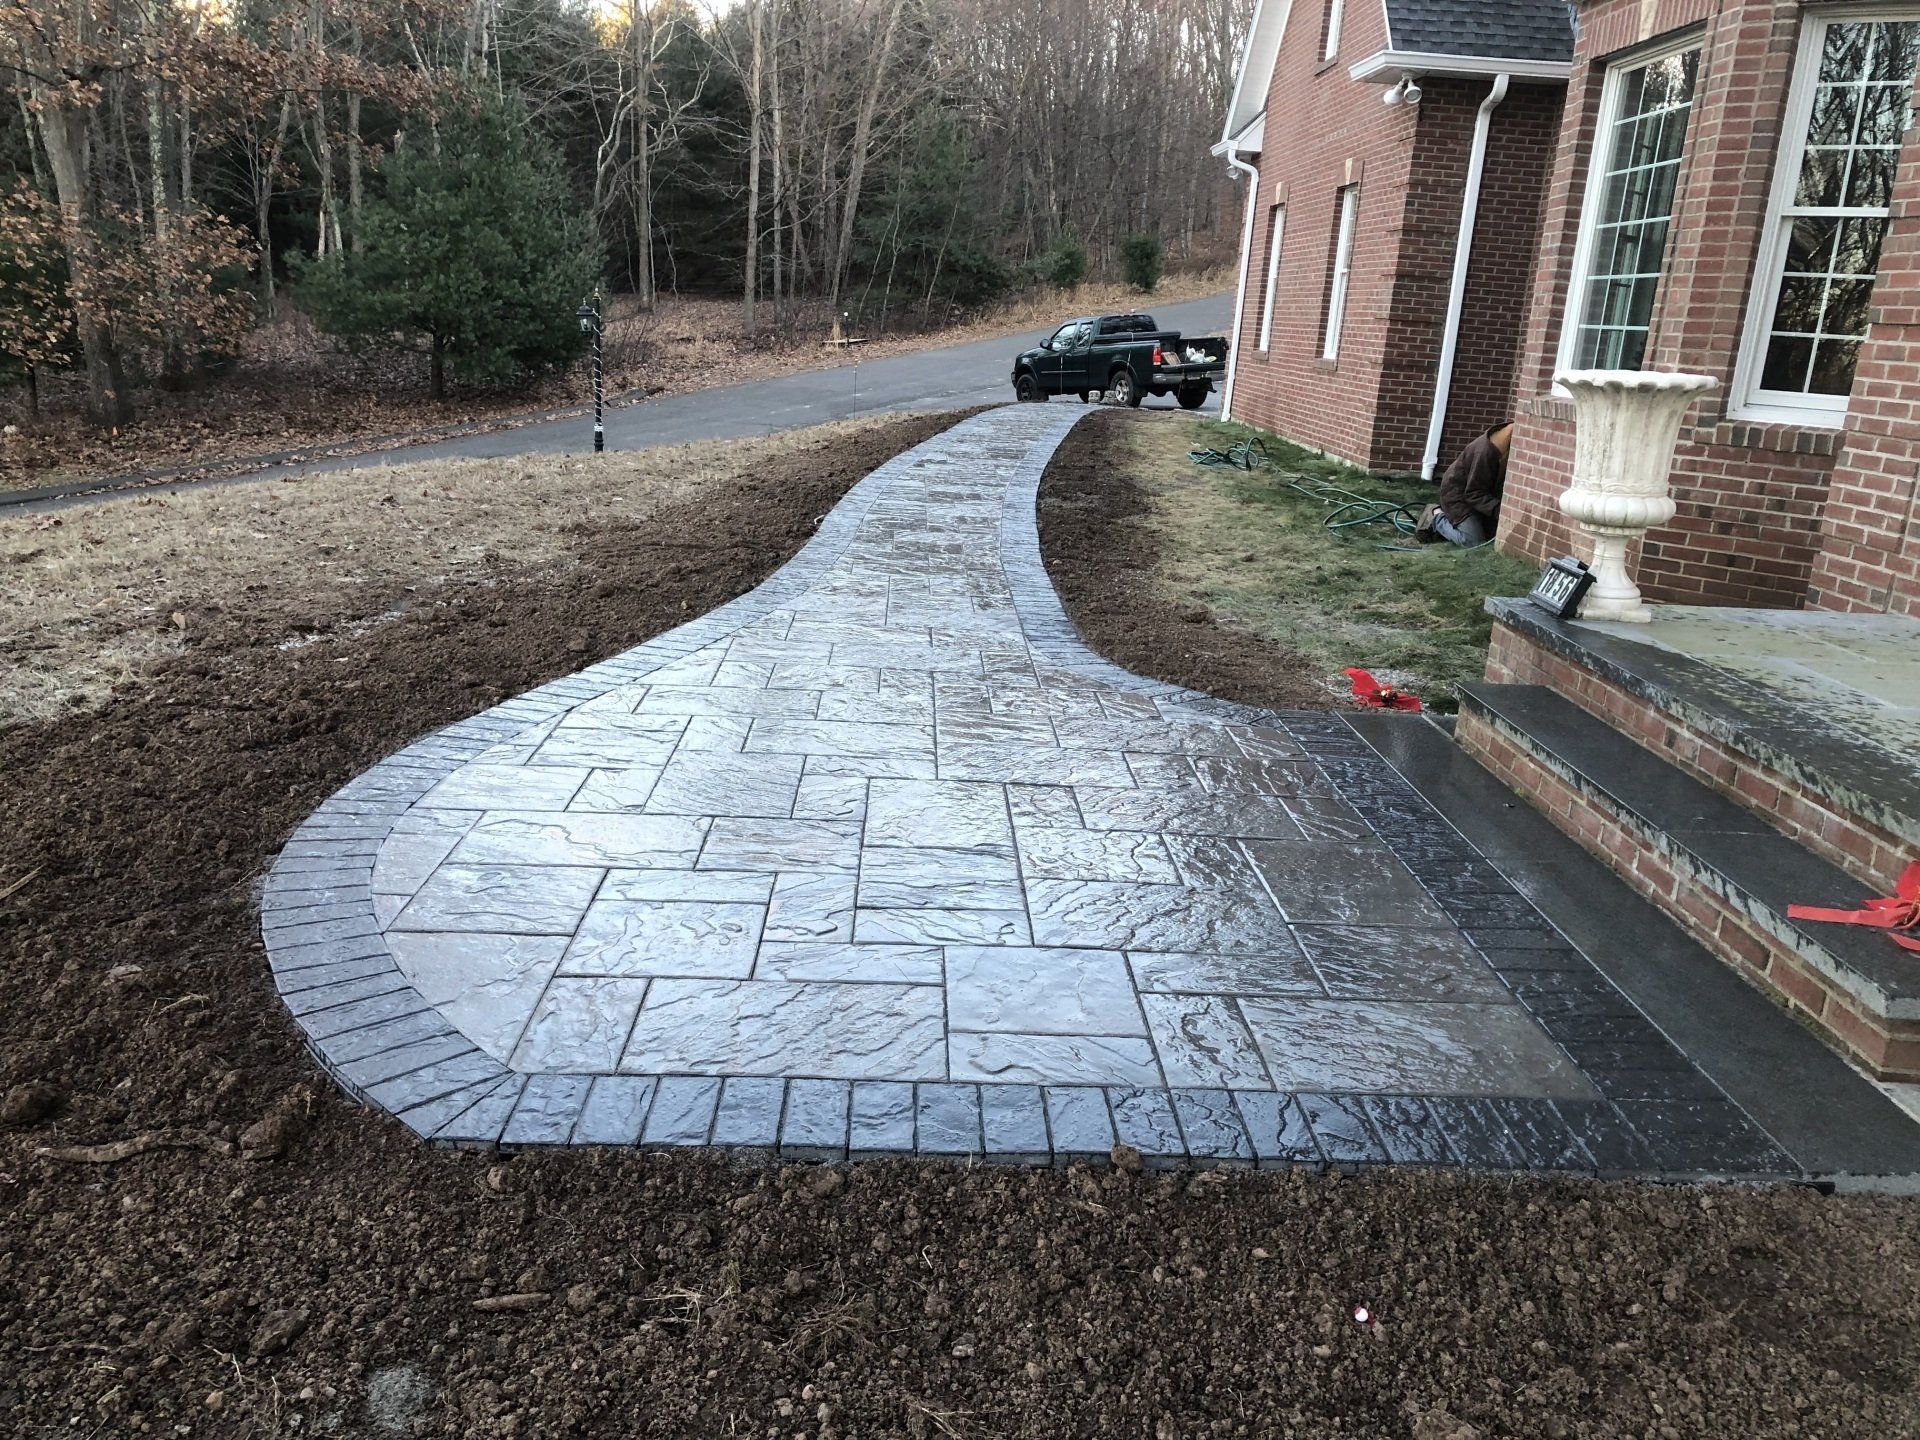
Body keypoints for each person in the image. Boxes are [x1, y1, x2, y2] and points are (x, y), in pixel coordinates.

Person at [1420, 420, 1513, 547]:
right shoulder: (1485, 453)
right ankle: (1437, 518)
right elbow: (1473, 493)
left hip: (1480, 495)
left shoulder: (1504, 445)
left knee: (1490, 537)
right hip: (1458, 496)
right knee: (1474, 542)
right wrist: (1500, 510)